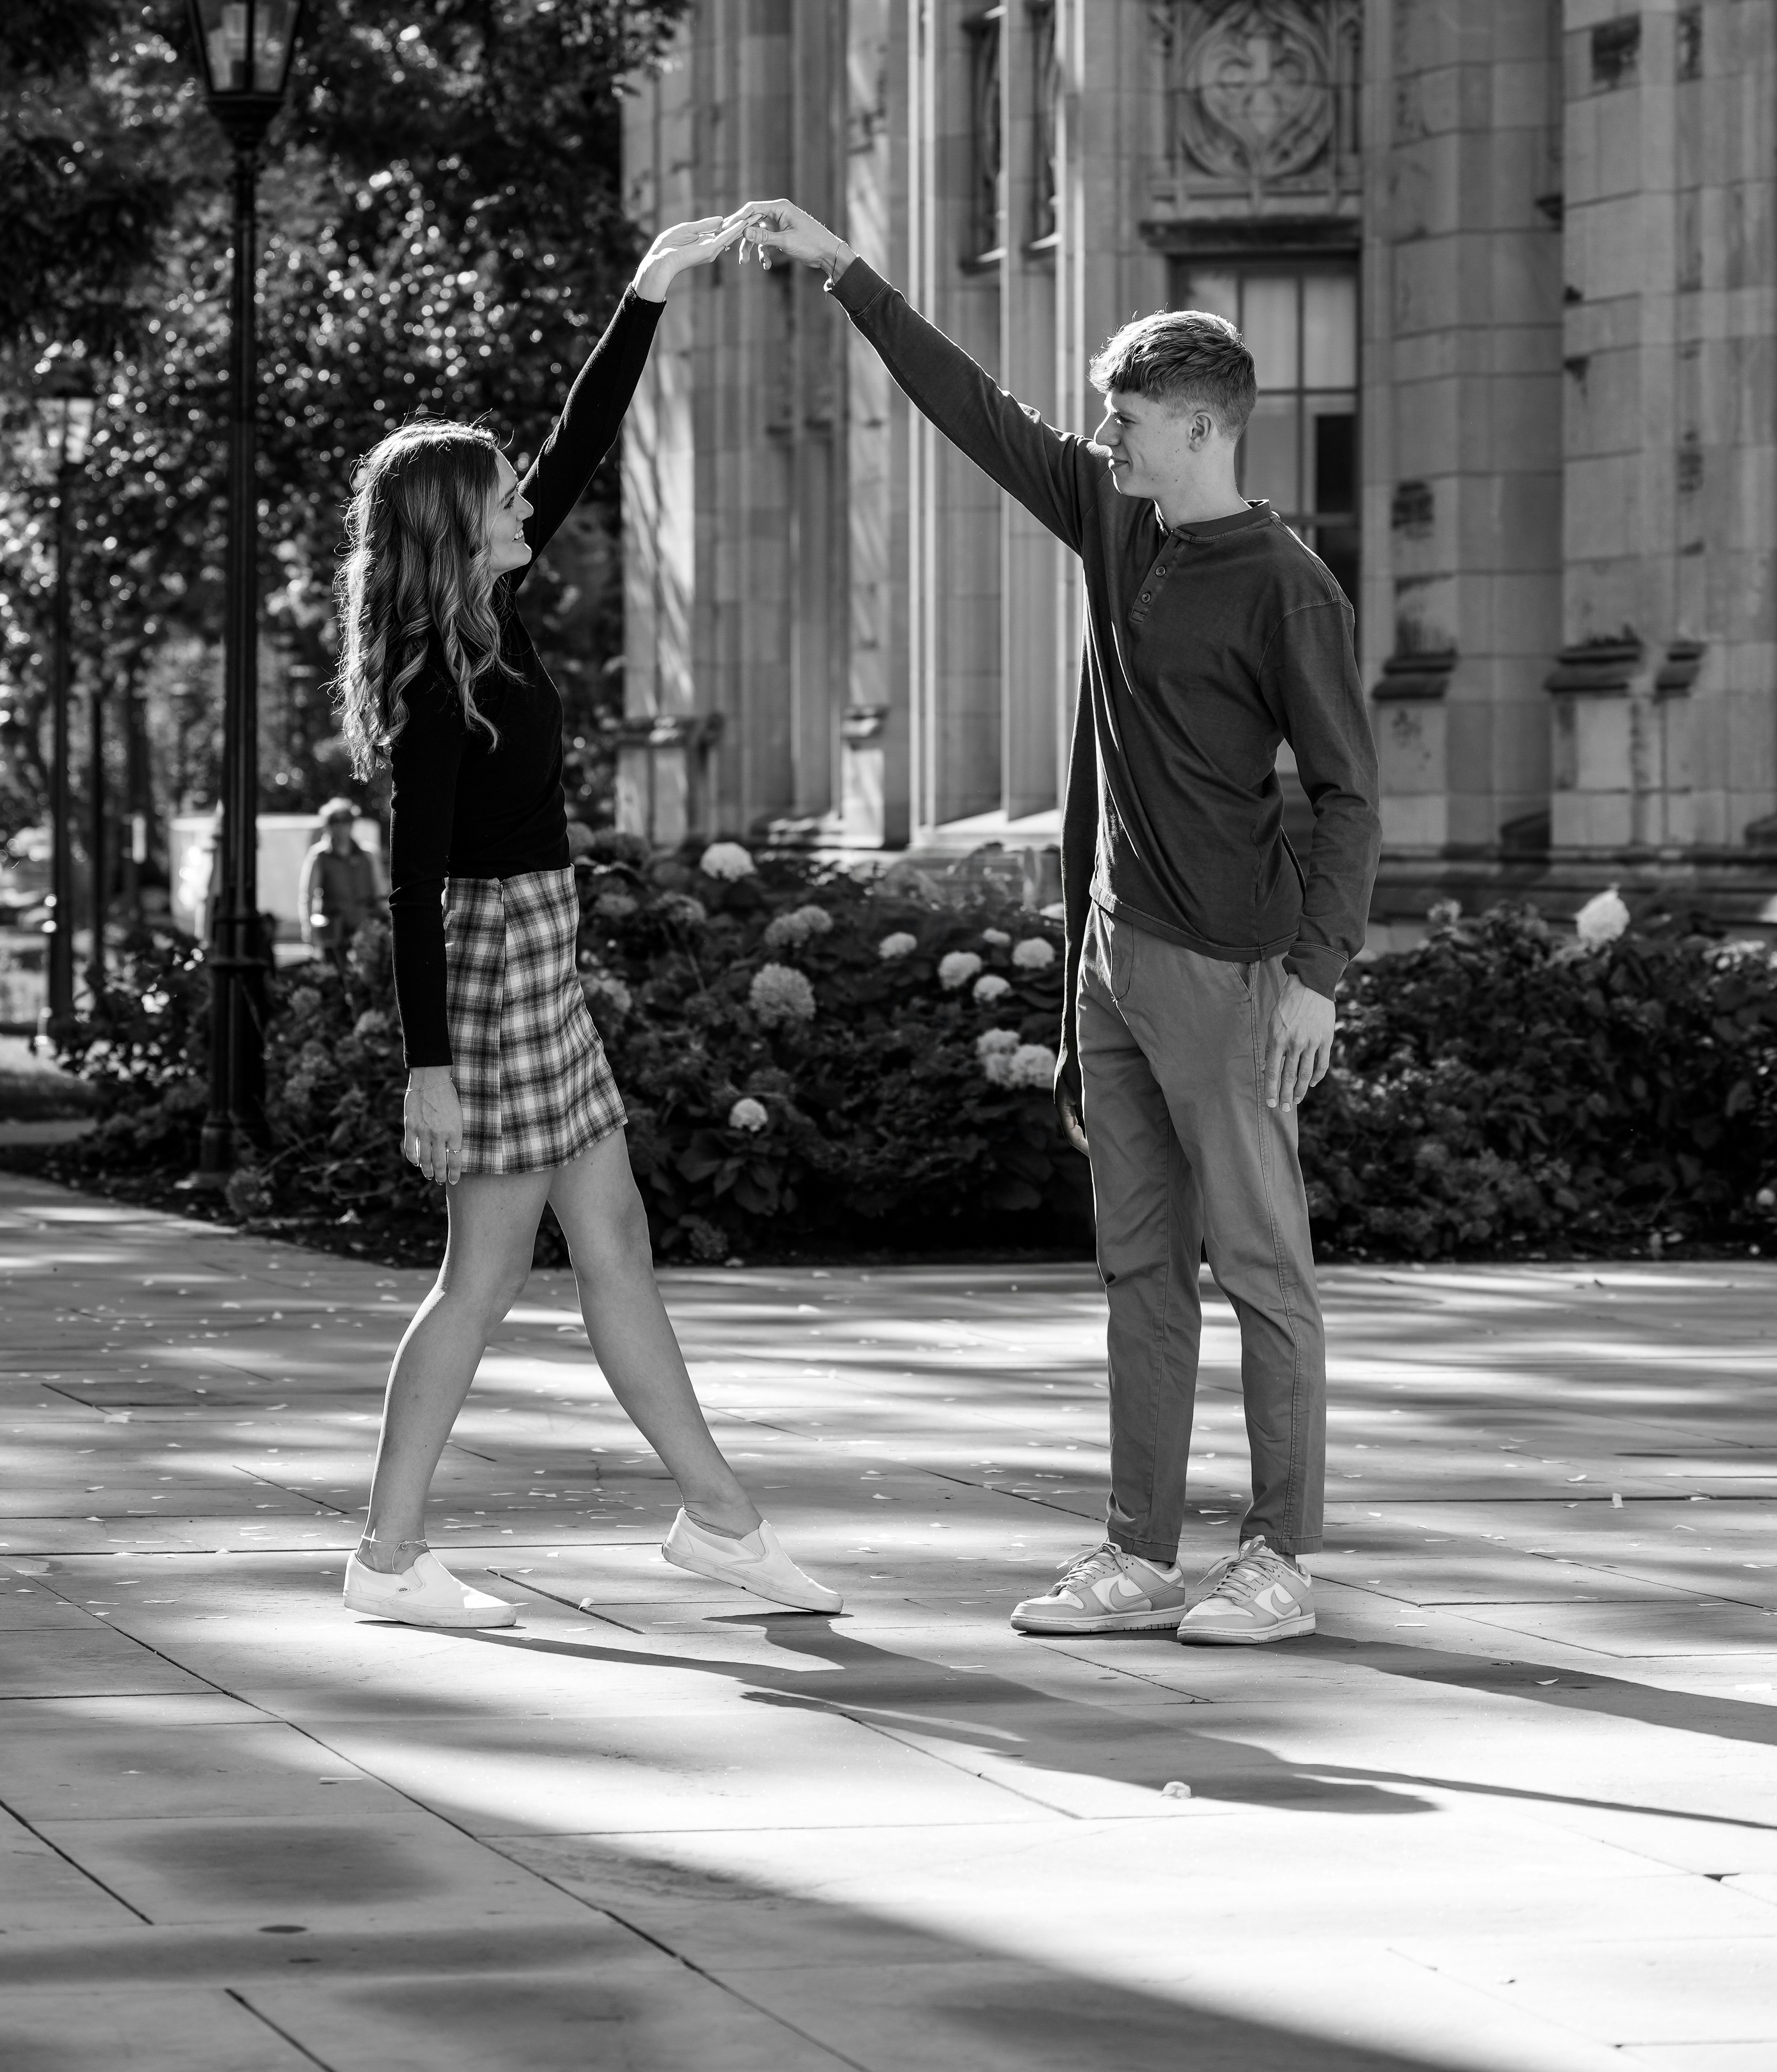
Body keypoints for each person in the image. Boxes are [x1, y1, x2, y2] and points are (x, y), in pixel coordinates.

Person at [736, 199, 1381, 1648]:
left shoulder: (1286, 588)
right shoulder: (1110, 515)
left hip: (1228, 969)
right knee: (1136, 1266)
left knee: (1263, 1268)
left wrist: (1314, 979)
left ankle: (1277, 1557)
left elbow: (1346, 796)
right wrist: (849, 274)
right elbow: (976, 411)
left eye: (1127, 422)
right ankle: (1138, 1552)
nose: (1102, 442)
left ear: (1201, 428)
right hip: (1106, 959)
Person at [336, 211, 838, 1631]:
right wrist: (426, 1070)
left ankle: (719, 1520)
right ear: (453, 534)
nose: (523, 511)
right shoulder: (436, 689)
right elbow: (412, 898)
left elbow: (577, 444)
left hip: (535, 958)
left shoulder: (491, 627)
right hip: (493, 971)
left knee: (610, 1242)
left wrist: (646, 290)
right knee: (482, 1276)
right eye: (497, 502)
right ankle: (386, 1559)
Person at [297, 798, 385, 965]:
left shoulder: (368, 855)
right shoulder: (319, 856)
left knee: (368, 978)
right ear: (328, 825)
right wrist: (308, 929)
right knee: (335, 978)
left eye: (347, 821)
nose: (342, 826)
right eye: (336, 821)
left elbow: (380, 893)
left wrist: (387, 924)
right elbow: (308, 896)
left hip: (364, 927)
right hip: (334, 930)